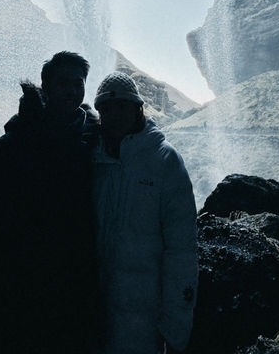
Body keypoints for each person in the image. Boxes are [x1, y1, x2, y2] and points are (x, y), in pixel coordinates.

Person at [0, 51, 99, 353]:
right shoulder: (13, 145)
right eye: (63, 83)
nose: (72, 91)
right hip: (23, 273)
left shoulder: (94, 141)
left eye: (79, 83)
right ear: (45, 86)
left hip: (75, 273)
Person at [92, 72, 198, 354]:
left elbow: (182, 251)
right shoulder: (92, 159)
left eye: (123, 106)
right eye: (107, 108)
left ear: (138, 108)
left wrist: (175, 329)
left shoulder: (165, 161)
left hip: (144, 328)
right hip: (94, 319)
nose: (115, 114)